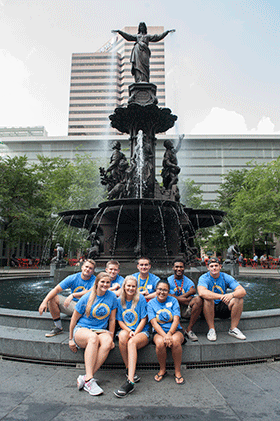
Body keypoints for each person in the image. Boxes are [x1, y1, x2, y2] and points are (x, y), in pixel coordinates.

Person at [69, 272, 117, 396]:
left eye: (108, 282)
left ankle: (85, 378)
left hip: (101, 330)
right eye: (102, 282)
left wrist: (111, 337)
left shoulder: (112, 297)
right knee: (93, 338)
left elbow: (112, 320)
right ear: (97, 283)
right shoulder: (86, 297)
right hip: (82, 329)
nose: (105, 285)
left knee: (106, 343)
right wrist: (70, 339)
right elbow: (74, 319)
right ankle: (90, 380)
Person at [38, 259, 96, 337]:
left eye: (90, 268)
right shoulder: (73, 278)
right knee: (52, 298)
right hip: (73, 306)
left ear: (93, 271)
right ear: (82, 267)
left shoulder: (95, 280)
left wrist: (73, 295)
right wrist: (44, 301)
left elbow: (90, 292)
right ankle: (58, 327)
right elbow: (56, 289)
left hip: (86, 308)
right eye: (86, 267)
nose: (87, 269)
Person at [114, 275, 149, 398]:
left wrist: (135, 332)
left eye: (133, 286)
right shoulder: (119, 300)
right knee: (123, 336)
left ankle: (130, 382)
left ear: (136, 287)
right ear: (124, 286)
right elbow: (120, 321)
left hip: (142, 331)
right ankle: (129, 369)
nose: (131, 288)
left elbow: (144, 319)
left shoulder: (141, 299)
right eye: (128, 286)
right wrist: (129, 330)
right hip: (127, 329)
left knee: (132, 342)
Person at [197, 257, 246, 342]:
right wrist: (221, 296)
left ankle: (233, 329)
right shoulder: (204, 278)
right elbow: (201, 292)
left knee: (239, 299)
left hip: (222, 306)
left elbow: (242, 291)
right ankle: (211, 329)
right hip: (208, 308)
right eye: (211, 266)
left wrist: (232, 295)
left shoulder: (225, 277)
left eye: (216, 265)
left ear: (220, 266)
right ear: (208, 268)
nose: (214, 268)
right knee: (208, 299)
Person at [148, 280, 185, 385]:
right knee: (160, 343)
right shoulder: (150, 303)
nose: (162, 292)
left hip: (175, 330)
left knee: (175, 341)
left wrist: (169, 334)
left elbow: (176, 319)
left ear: (168, 291)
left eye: (165, 290)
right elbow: (154, 324)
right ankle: (162, 370)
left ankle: (177, 371)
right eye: (159, 289)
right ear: (156, 290)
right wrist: (165, 336)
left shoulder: (173, 301)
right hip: (159, 332)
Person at [168, 258, 202, 341]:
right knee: (169, 302)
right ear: (173, 268)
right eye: (176, 267)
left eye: (181, 267)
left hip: (186, 309)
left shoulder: (189, 282)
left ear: (184, 268)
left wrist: (175, 297)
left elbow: (188, 301)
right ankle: (183, 330)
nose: (179, 269)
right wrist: (189, 293)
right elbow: (168, 297)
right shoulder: (168, 281)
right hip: (173, 309)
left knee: (198, 299)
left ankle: (189, 329)